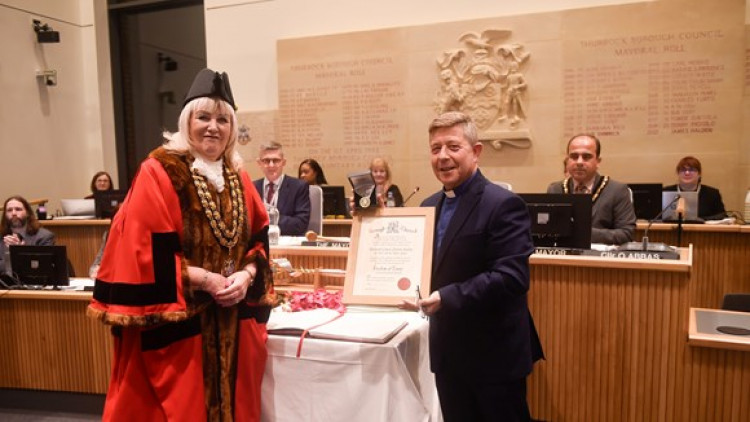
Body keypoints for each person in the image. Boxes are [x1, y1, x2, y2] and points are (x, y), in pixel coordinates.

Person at [87, 69, 275, 421]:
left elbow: (259, 239)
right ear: (186, 121)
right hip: (181, 328)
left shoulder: (238, 174)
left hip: (233, 321)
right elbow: (141, 252)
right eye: (203, 117)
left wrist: (248, 274)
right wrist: (204, 279)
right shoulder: (159, 171)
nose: (213, 127)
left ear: (232, 128)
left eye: (222, 119)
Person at [401, 111, 543, 421]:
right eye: (435, 148)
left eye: (453, 146)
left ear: (476, 152)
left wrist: (446, 297)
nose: (443, 156)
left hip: (494, 355)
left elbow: (512, 277)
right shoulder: (427, 206)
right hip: (449, 353)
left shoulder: (503, 203)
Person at [547, 134, 636, 245]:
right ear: (568, 160)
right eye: (574, 156)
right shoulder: (555, 189)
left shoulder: (617, 191)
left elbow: (627, 234)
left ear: (598, 161)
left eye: (586, 157)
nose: (579, 162)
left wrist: (583, 233)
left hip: (602, 259)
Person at [253, 141, 310, 235]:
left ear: (283, 162)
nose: (271, 165)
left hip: (287, 244)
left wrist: (267, 217)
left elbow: (300, 224)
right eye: (266, 161)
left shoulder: (299, 187)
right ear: (259, 163)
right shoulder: (252, 187)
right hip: (258, 243)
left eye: (276, 160)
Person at [0, 196, 56, 274]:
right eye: (9, 210)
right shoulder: (1, 237)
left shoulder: (44, 237)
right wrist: (9, 256)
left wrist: (20, 252)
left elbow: (42, 268)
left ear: (27, 213)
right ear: (5, 215)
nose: (13, 213)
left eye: (18, 209)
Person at [664, 156, 726, 220]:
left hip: (703, 229)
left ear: (699, 174)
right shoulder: (665, 192)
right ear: (678, 173)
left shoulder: (712, 194)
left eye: (691, 170)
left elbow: (721, 216)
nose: (687, 173)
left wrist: (701, 219)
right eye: (683, 170)